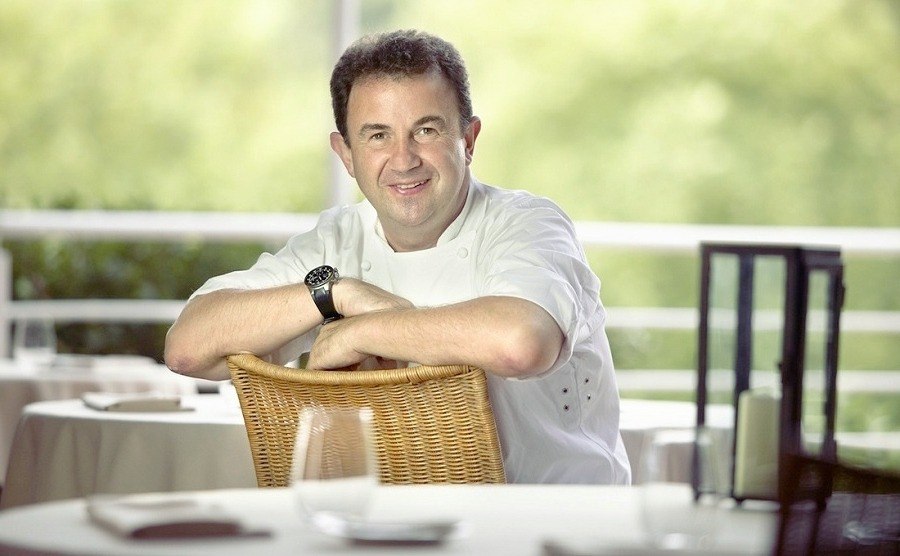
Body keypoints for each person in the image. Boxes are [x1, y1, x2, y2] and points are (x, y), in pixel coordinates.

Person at [165, 29, 631, 485]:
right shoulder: (336, 241)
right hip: (399, 526)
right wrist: (339, 294)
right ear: (345, 154)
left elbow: (520, 343)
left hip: (554, 525)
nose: (404, 159)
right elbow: (188, 349)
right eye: (377, 136)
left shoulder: (525, 223)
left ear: (468, 140)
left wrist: (362, 332)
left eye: (425, 130)